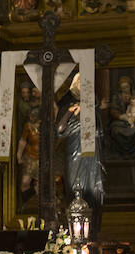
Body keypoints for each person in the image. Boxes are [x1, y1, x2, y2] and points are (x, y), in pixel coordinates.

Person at [57, 72, 104, 241]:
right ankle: (73, 233)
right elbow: (60, 130)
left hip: (91, 156)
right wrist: (71, 111)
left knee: (93, 189)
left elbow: (100, 131)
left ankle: (92, 231)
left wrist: (88, 110)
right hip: (73, 153)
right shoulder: (68, 106)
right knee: (73, 187)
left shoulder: (94, 109)